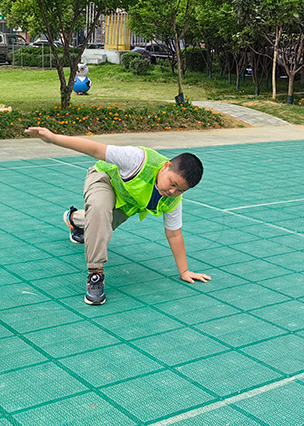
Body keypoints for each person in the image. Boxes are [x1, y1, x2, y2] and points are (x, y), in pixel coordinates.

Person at [24, 127, 210, 305]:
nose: (172, 191)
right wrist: (53, 138)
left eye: (180, 190)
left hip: (125, 204)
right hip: (104, 179)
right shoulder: (138, 159)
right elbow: (96, 149)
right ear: (166, 166)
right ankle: (95, 275)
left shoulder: (173, 201)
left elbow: (174, 233)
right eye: (172, 183)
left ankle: (75, 219)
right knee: (99, 209)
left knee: (100, 225)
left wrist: (184, 270)